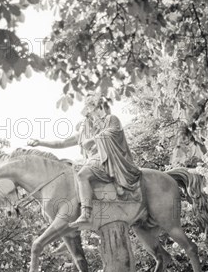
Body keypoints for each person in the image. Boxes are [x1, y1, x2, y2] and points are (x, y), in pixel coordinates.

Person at [28, 94, 142, 227]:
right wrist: (41, 142)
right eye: (88, 114)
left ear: (98, 108)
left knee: (82, 175)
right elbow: (61, 143)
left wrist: (94, 140)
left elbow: (113, 132)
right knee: (71, 173)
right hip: (91, 160)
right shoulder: (84, 133)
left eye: (91, 110)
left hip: (106, 158)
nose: (89, 118)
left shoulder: (111, 119)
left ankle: (86, 213)